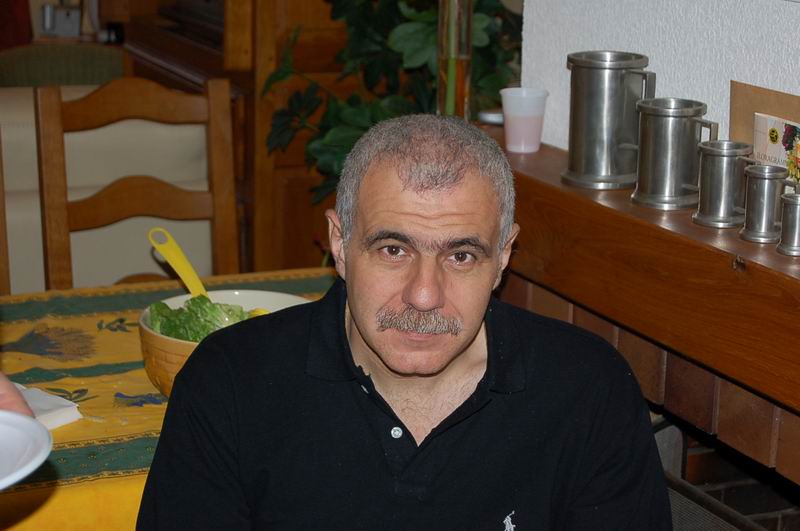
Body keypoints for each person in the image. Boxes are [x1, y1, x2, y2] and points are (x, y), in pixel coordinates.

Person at [138, 115, 671, 529]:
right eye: (393, 249)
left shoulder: (590, 392)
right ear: (340, 243)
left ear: (504, 256)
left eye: (461, 256)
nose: (424, 295)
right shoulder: (229, 383)